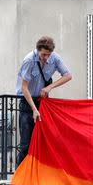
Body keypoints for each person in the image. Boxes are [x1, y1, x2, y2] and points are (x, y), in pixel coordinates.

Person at [16, 36, 72, 164]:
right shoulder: (29, 60)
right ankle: (20, 176)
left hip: (43, 103)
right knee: (26, 144)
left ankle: (39, 173)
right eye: (43, 54)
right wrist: (34, 110)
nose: (46, 57)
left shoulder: (54, 58)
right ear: (38, 50)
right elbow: (24, 88)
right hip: (27, 104)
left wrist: (49, 87)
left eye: (48, 54)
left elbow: (68, 75)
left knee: (45, 141)